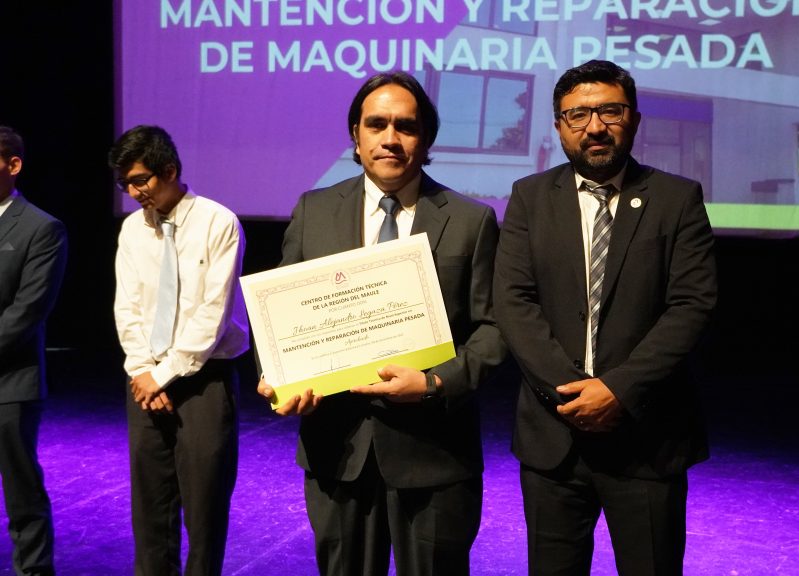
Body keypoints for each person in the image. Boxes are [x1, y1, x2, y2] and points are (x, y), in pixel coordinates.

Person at [256, 71, 505, 576]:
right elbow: (278, 313)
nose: (390, 138)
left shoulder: (470, 219)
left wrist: (435, 383)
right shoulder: (313, 210)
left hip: (435, 453)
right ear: (356, 135)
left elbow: (494, 330)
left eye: (405, 126)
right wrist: (277, 376)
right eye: (376, 124)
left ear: (425, 139)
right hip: (337, 448)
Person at [493, 59, 718, 575]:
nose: (594, 126)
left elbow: (692, 305)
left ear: (633, 118)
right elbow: (513, 301)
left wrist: (617, 391)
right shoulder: (529, 197)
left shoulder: (676, 199)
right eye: (577, 115)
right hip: (554, 439)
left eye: (609, 112)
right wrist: (572, 395)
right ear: (559, 126)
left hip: (647, 437)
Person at [110, 125, 250, 576]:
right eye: (125, 184)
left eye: (140, 181)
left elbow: (212, 314)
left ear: (169, 170)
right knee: (151, 508)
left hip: (203, 378)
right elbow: (127, 307)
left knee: (204, 508)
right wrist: (143, 372)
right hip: (145, 379)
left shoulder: (217, 222)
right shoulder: (132, 230)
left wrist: (164, 374)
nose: (134, 193)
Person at [0, 126, 67, 576]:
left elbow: (27, 311)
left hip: (10, 382)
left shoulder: (41, 228)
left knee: (21, 494)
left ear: (13, 164)